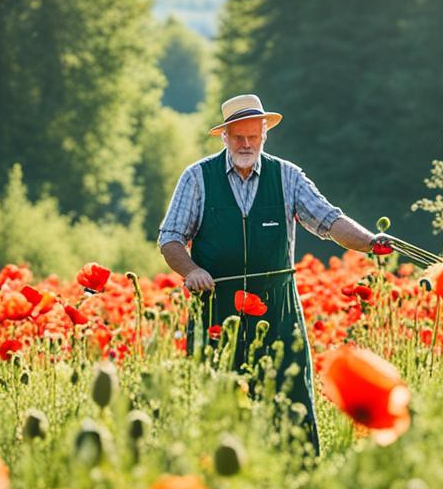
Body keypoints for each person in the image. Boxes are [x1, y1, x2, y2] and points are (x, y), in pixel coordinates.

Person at [157, 94, 390, 456]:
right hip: (217, 309)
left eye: (253, 136)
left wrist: (369, 242)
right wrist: (192, 270)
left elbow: (329, 221)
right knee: (217, 406)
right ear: (225, 137)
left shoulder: (288, 177)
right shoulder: (197, 178)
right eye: (238, 137)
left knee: (291, 400)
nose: (246, 144)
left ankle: (300, 479)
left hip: (279, 311)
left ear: (264, 135)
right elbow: (170, 237)